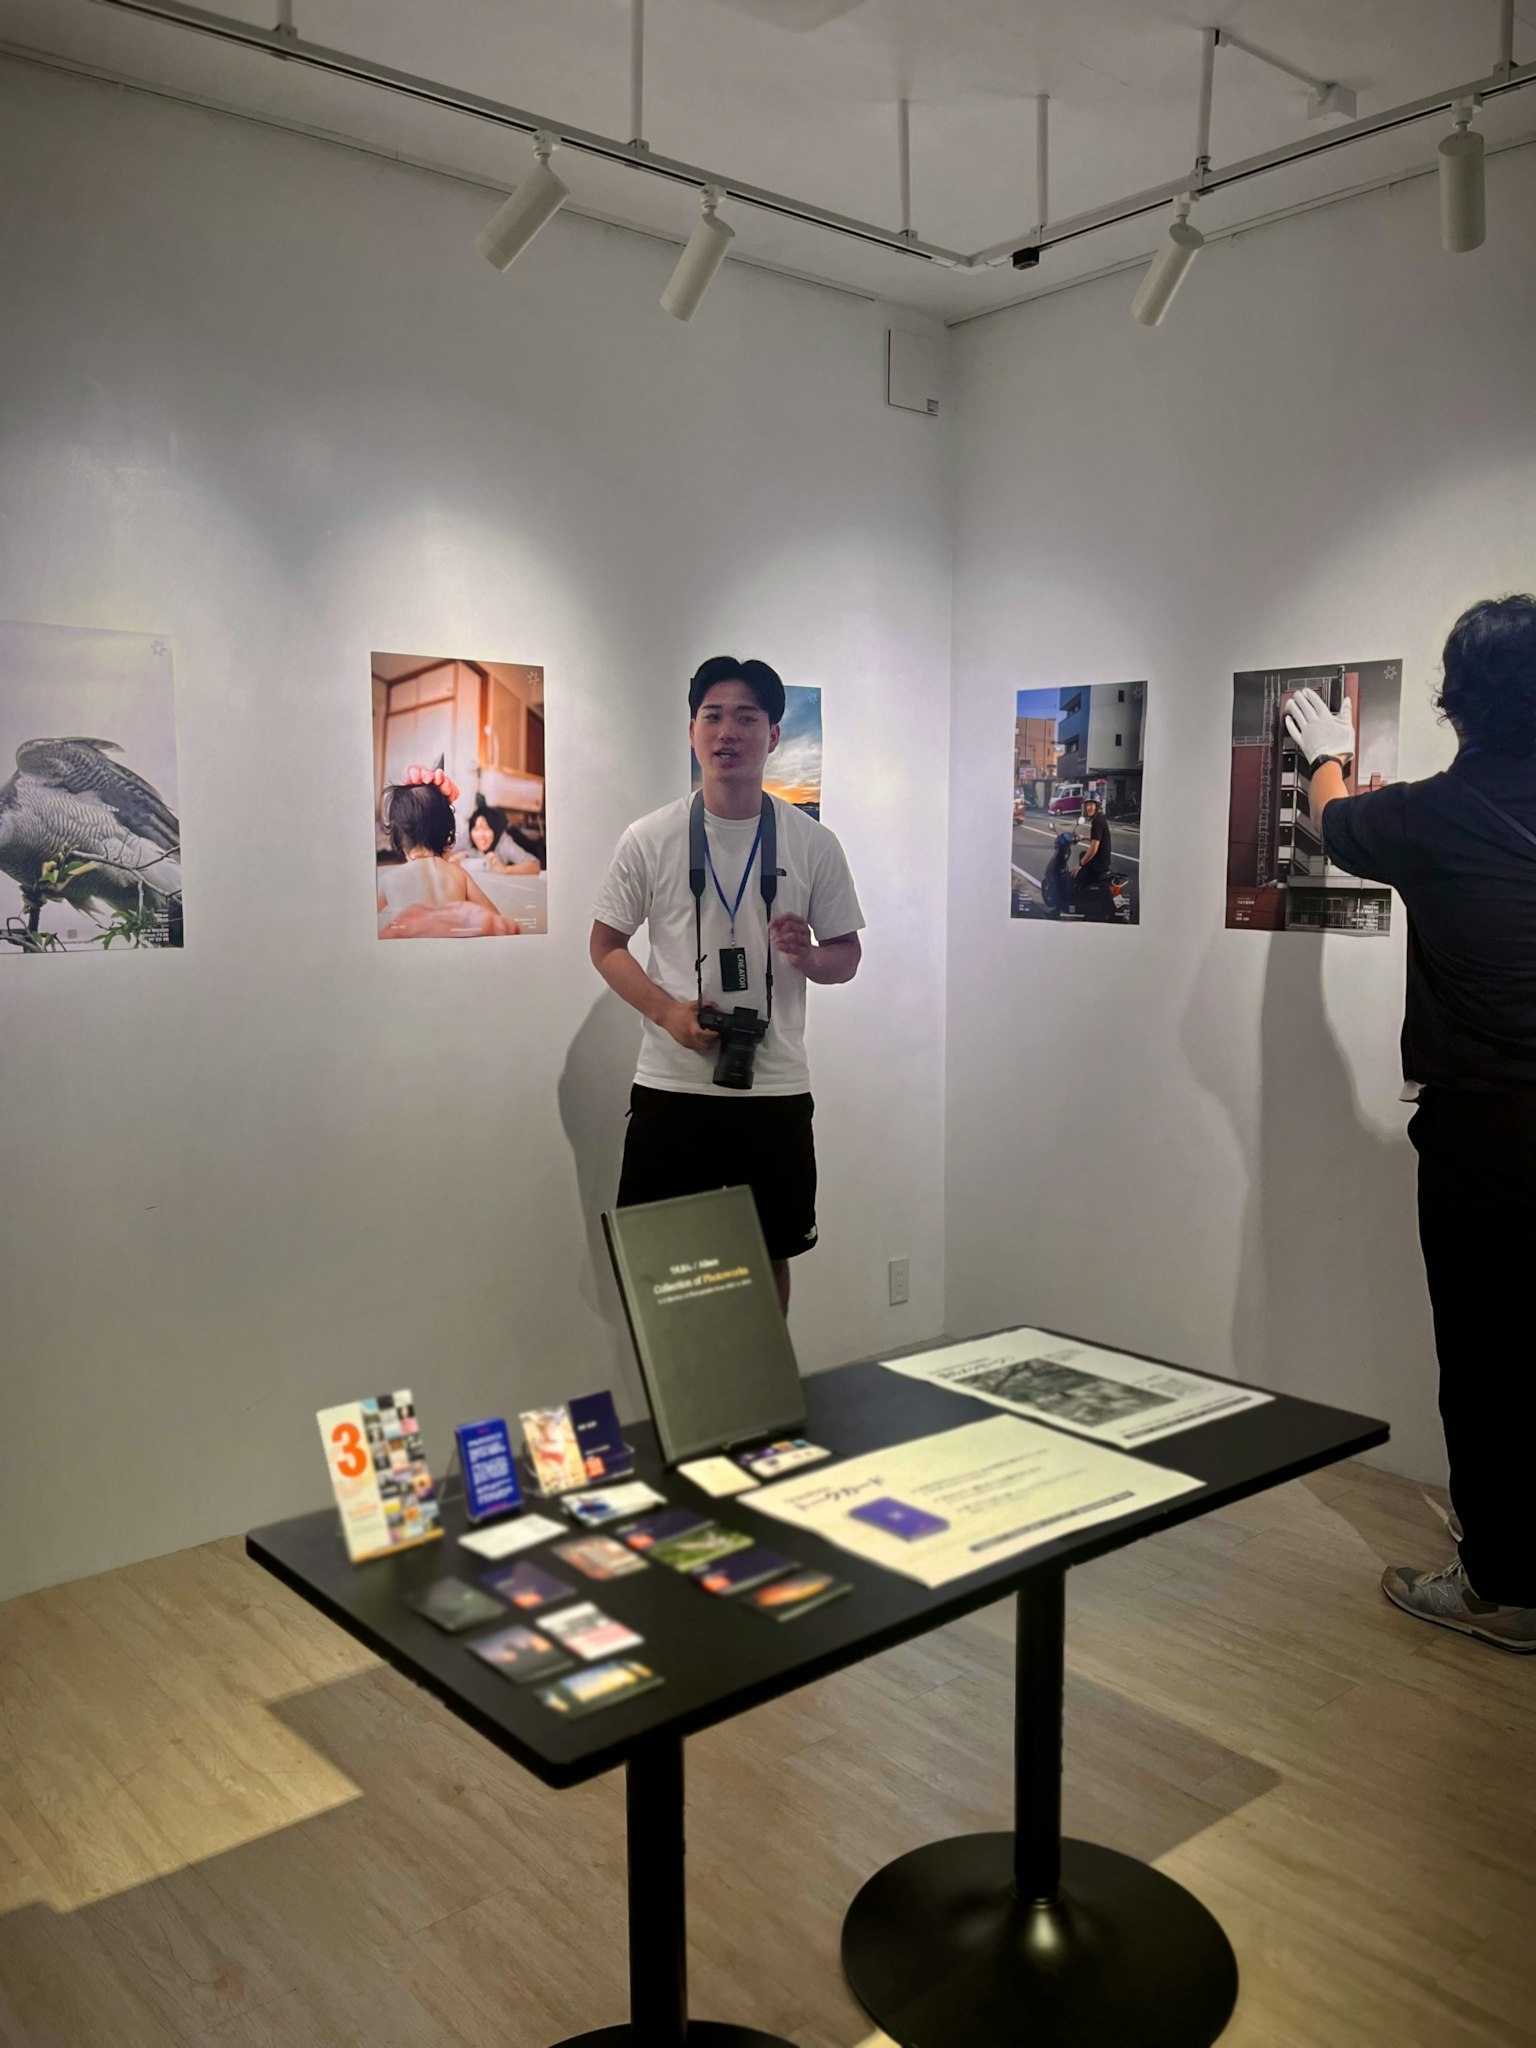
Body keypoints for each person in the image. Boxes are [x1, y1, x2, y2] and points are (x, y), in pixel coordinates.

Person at [1286, 596, 1536, 1653]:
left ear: (1457, 702)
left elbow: (1332, 820)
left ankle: (1498, 1584)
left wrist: (1329, 754)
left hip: (1489, 1129)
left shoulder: (1441, 810)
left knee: (1487, 1355)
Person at [590, 655, 864, 1312]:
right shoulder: (649, 838)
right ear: (692, 730)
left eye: (746, 717)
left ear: (772, 735)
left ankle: (763, 1406)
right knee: (662, 1263)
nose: (727, 732)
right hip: (672, 1085)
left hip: (773, 1086)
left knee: (770, 1254)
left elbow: (847, 957)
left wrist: (808, 956)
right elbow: (605, 946)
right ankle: (682, 1409)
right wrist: (669, 1014)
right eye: (713, 716)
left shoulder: (811, 842)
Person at [377, 765, 515, 938]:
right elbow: (494, 914)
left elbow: (361, 921)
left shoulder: (390, 879)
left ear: (399, 841)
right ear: (447, 836)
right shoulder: (458, 874)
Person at [452, 804, 540, 876]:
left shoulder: (503, 842)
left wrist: (505, 870)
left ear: (495, 829)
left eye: (486, 828)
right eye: (476, 829)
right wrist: (451, 861)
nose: (481, 835)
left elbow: (535, 865)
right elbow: (441, 857)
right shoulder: (467, 838)